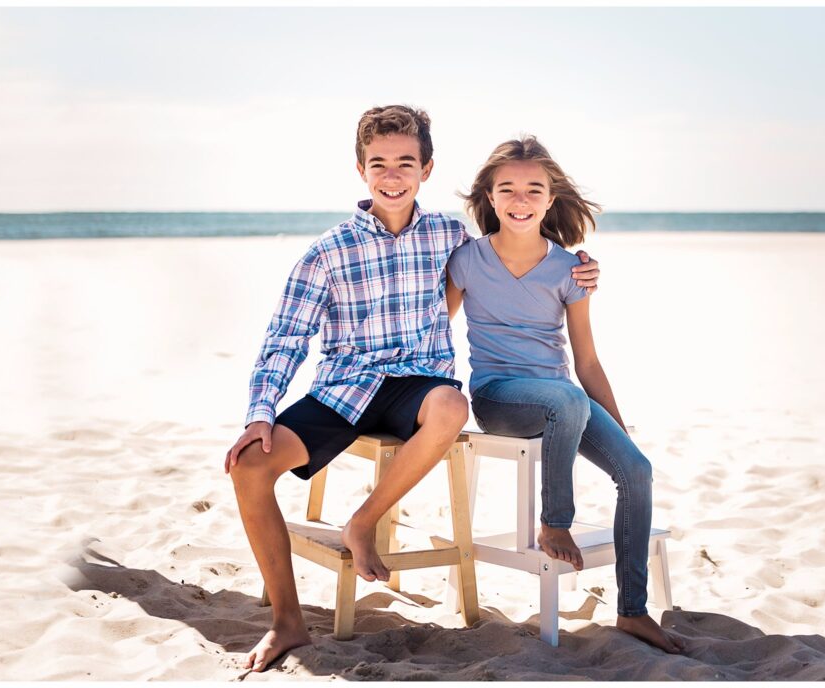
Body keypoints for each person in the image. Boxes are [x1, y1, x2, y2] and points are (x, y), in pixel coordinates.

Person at [223, 107, 600, 672]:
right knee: (250, 464)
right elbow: (285, 338)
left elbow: (516, 236)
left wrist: (580, 268)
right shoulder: (327, 251)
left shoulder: (450, 236)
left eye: (406, 162)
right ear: (361, 170)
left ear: (426, 169)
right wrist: (260, 413)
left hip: (418, 385)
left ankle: (363, 521)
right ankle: (287, 621)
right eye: (380, 164)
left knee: (452, 404)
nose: (392, 175)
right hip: (344, 387)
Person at [445, 136, 684, 653]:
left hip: (564, 401)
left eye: (535, 189)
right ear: (489, 196)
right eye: (507, 188)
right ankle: (555, 524)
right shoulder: (465, 262)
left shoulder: (568, 269)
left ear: (551, 200)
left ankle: (632, 610)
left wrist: (616, 423)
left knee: (636, 470)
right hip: (498, 398)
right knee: (567, 401)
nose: (521, 199)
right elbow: (433, 329)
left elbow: (588, 361)